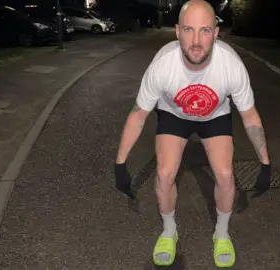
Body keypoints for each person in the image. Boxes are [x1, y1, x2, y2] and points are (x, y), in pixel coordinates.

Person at [114, 0, 271, 267]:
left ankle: (221, 234)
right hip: (174, 114)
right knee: (164, 174)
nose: (196, 40)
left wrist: (266, 163)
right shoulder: (163, 65)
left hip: (215, 116)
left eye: (205, 30)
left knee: (224, 175)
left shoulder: (230, 65)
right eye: (188, 30)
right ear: (177, 32)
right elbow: (138, 114)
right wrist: (120, 164)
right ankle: (168, 231)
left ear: (216, 33)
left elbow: (249, 115)